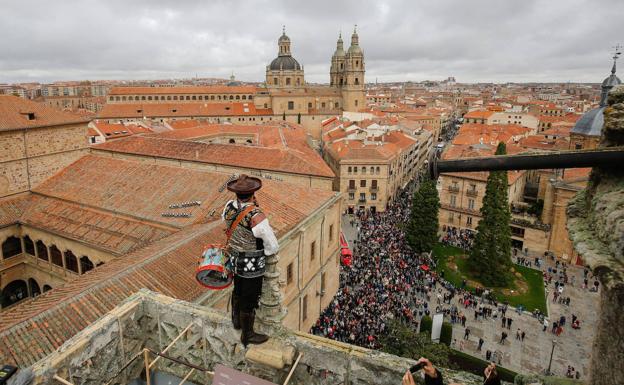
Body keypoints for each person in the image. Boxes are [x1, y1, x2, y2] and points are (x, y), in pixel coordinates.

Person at [223, 175, 279, 347]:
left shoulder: (229, 207)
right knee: (249, 297)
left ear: (237, 194)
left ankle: (236, 321)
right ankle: (247, 335)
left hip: (234, 258)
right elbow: (272, 246)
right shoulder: (256, 216)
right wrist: (265, 251)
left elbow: (225, 224)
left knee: (237, 289)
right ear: (253, 193)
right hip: (251, 264)